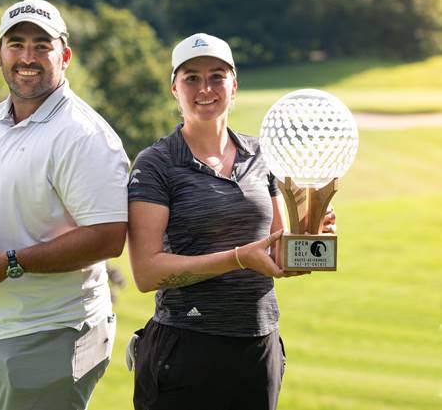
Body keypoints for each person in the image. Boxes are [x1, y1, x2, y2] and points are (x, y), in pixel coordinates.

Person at [127, 33, 336, 410]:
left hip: (258, 345)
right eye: (191, 77)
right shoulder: (156, 163)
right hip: (184, 348)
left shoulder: (261, 154)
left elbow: (276, 253)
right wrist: (238, 257)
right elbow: (146, 272)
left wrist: (309, 240)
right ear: (174, 88)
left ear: (234, 85)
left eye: (216, 76)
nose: (204, 88)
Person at [0, 0, 129, 410]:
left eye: (41, 46)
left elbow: (108, 237)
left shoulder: (83, 135)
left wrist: (10, 262)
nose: (27, 57)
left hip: (51, 334)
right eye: (16, 44)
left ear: (64, 56)